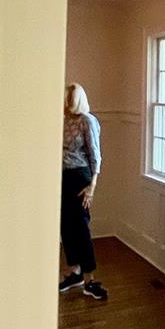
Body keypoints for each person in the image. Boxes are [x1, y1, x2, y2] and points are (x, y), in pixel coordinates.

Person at [58, 84, 108, 301]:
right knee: (66, 227)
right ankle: (74, 272)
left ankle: (90, 279)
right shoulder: (65, 120)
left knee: (81, 228)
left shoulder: (88, 121)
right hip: (64, 176)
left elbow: (95, 154)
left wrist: (92, 187)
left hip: (81, 178)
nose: (67, 103)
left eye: (70, 99)